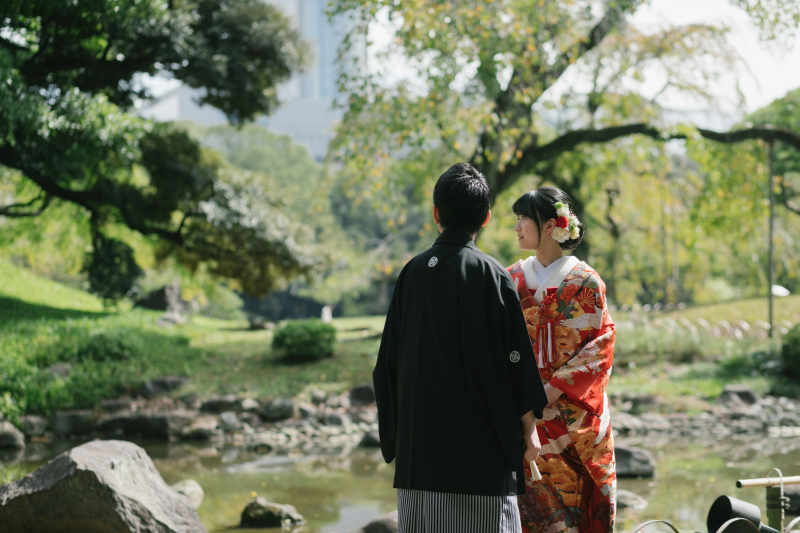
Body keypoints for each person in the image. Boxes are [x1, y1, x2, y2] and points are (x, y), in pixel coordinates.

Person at [373, 163, 549, 533]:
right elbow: (513, 358)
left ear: (436, 214)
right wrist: (528, 425)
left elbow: (386, 364)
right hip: (479, 459)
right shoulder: (491, 273)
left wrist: (397, 439)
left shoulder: (412, 272)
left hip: (418, 461)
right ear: (485, 217)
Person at [507, 187, 617, 533]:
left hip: (574, 420)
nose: (518, 226)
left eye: (525, 218)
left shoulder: (587, 281)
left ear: (553, 226)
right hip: (526, 418)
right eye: (518, 218)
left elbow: (601, 347)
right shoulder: (510, 280)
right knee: (531, 513)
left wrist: (552, 389)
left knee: (579, 510)